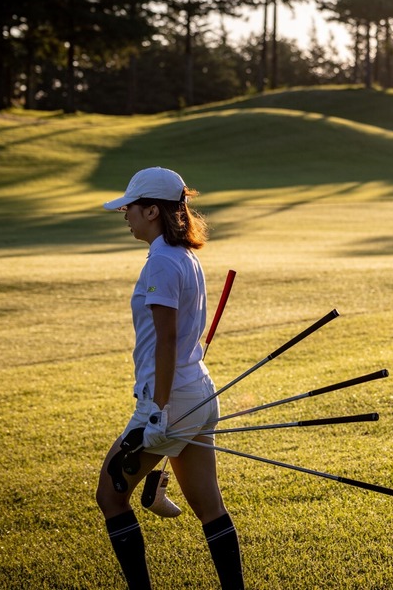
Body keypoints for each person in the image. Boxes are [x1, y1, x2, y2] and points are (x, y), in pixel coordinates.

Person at [95, 167, 244, 590]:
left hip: (170, 401)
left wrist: (157, 413)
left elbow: (166, 342)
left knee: (110, 496)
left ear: (153, 211)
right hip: (197, 392)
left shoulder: (161, 262)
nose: (125, 213)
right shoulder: (184, 256)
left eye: (131, 207)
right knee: (209, 506)